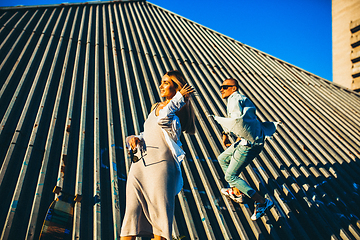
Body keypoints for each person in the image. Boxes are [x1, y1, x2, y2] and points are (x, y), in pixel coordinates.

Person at [120, 70, 195, 240]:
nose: (161, 85)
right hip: (140, 165)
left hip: (160, 168)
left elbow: (163, 119)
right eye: (161, 81)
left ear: (177, 88)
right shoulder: (156, 106)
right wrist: (135, 138)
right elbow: (149, 131)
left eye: (166, 82)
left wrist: (179, 98)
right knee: (130, 214)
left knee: (159, 221)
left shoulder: (177, 111)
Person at [214, 78, 278, 221]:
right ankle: (236, 191)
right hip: (250, 140)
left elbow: (237, 120)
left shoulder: (234, 99)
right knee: (222, 158)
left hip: (248, 143)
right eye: (221, 87)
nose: (221, 89)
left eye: (225, 87)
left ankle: (262, 201)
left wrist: (230, 134)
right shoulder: (240, 99)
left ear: (234, 88)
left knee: (230, 176)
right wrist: (226, 134)